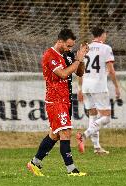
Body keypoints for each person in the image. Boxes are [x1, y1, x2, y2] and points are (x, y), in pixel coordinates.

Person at [27, 28, 88, 176]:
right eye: (68, 46)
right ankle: (71, 170)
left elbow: (79, 72)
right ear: (60, 41)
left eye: (72, 47)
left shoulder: (67, 54)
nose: (70, 49)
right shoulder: (50, 55)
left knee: (54, 135)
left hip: (65, 100)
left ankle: (34, 163)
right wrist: (78, 59)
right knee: (66, 133)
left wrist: (81, 58)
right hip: (55, 101)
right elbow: (63, 74)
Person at [76, 27, 121, 154]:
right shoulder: (106, 48)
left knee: (93, 114)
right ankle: (84, 135)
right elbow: (111, 70)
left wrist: (79, 89)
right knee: (106, 117)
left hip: (86, 85)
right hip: (98, 86)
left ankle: (96, 148)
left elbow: (80, 70)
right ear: (102, 35)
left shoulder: (85, 48)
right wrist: (117, 87)